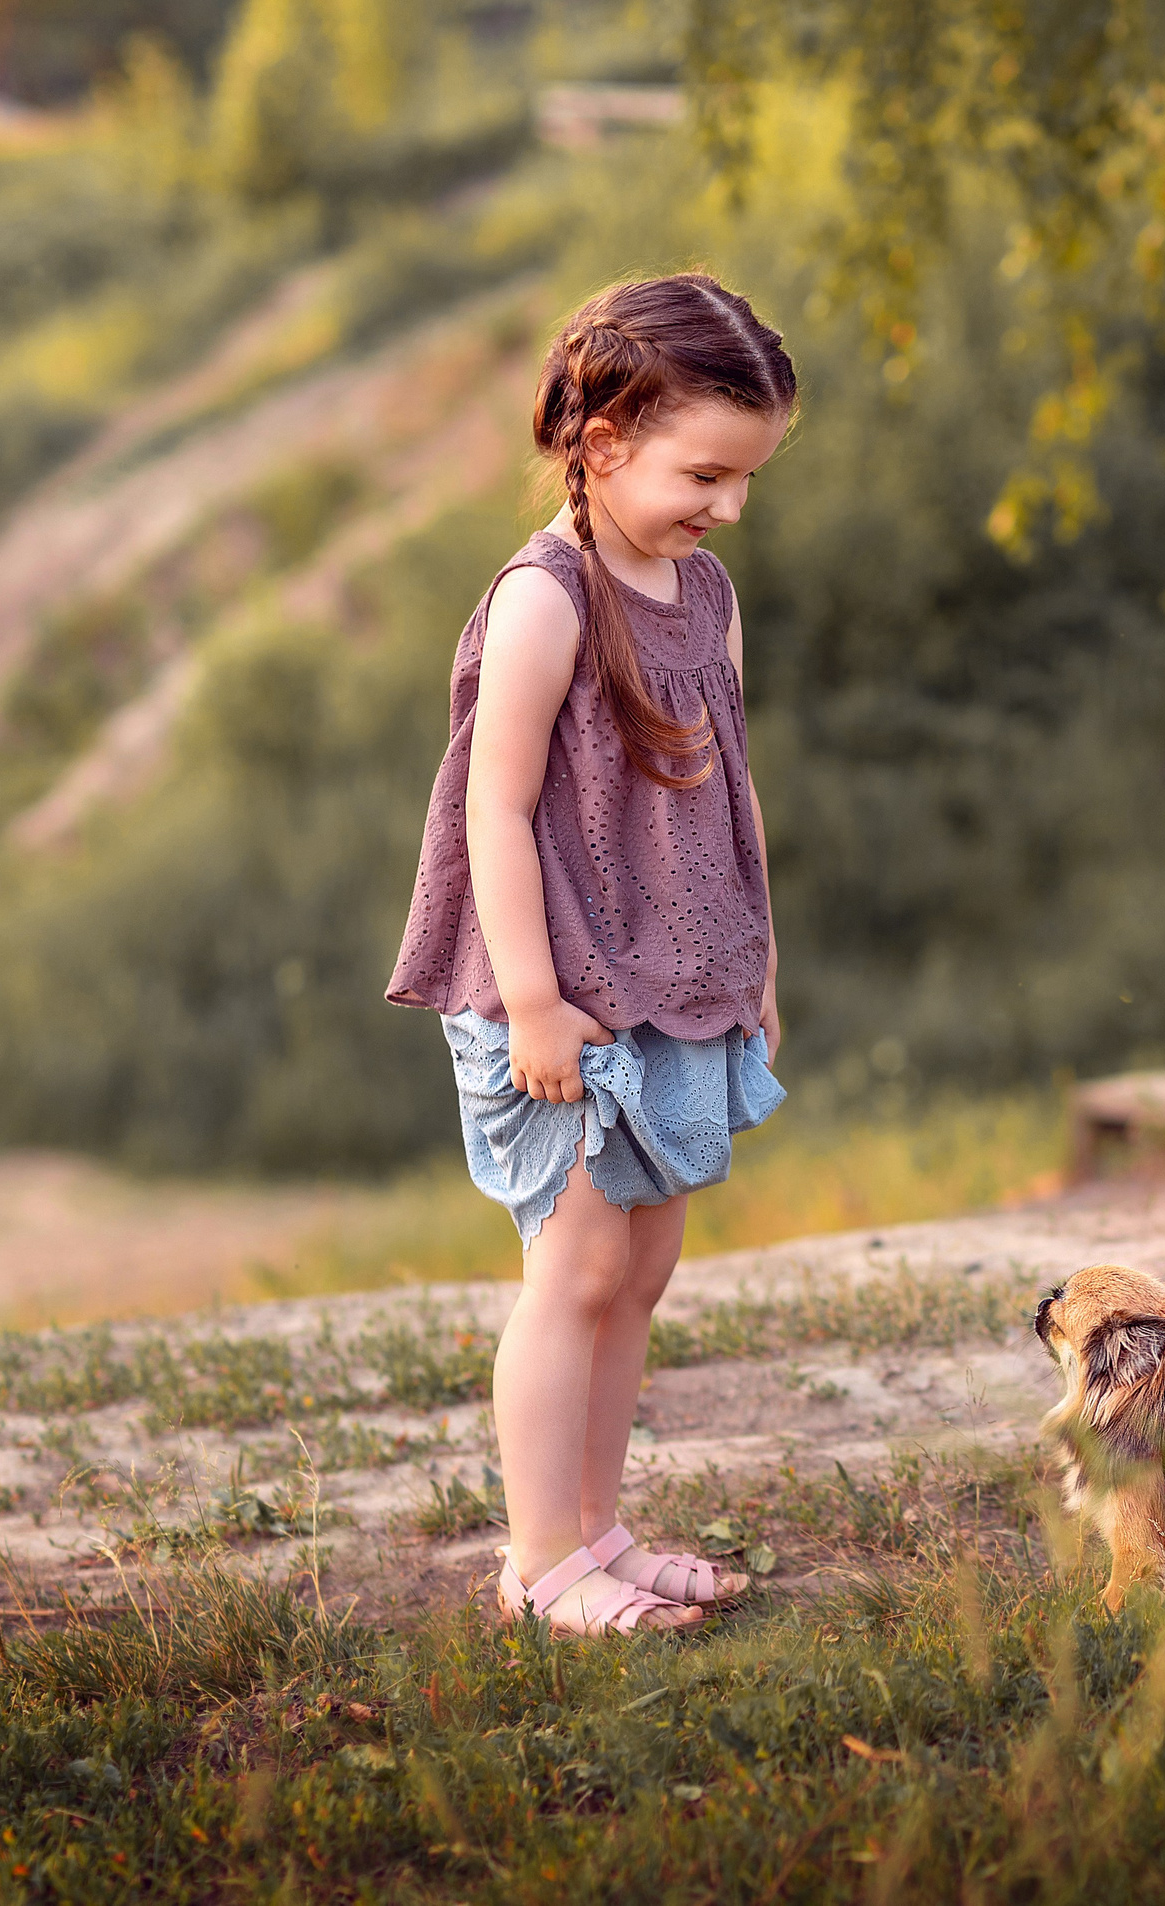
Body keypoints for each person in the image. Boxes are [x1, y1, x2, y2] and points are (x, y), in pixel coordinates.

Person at [388, 273, 797, 1636]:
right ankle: (539, 1558)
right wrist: (534, 1002)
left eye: (746, 479)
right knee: (569, 1273)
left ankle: (600, 1525)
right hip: (559, 992)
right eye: (707, 472)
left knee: (643, 1269)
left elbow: (731, 785)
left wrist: (758, 966)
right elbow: (492, 805)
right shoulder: (545, 599)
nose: (727, 506)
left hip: (680, 982)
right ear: (607, 436)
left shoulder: (705, 591)